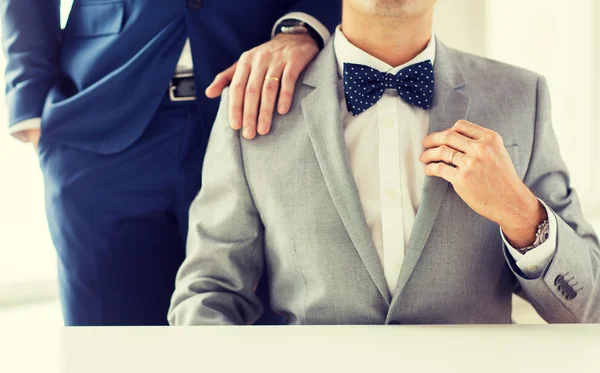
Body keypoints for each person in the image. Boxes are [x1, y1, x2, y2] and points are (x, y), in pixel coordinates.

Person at [168, 0, 600, 324]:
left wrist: (520, 213)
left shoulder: (523, 98)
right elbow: (208, 295)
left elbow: (588, 306)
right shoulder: (253, 104)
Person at [0, 0, 340, 326]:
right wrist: (29, 104)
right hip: (101, 126)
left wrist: (302, 26)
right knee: (111, 353)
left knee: (263, 345)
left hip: (259, 114)